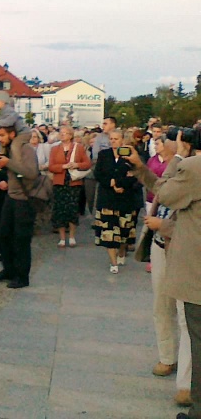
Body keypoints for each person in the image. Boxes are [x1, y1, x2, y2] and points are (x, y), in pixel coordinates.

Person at [126, 133, 201, 419]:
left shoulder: (190, 166)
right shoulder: (180, 167)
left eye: (167, 139)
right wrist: (144, 169)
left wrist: (179, 157)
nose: (160, 144)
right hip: (164, 247)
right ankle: (167, 358)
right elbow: (161, 190)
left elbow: (169, 196)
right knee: (162, 307)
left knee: (189, 321)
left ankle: (187, 388)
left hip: (186, 252)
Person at [0, 124, 40, 289]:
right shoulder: (8, 149)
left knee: (21, 238)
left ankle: (22, 276)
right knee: (3, 233)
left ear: (12, 134)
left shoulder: (26, 150)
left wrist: (8, 163)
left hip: (25, 199)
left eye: (2, 135)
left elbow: (32, 173)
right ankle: (9, 269)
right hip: (11, 197)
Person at [92, 129, 138, 274]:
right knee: (109, 231)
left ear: (122, 140)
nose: (113, 141)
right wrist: (110, 183)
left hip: (125, 199)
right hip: (107, 198)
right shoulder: (103, 155)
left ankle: (122, 252)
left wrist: (120, 184)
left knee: (124, 232)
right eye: (111, 139)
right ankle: (113, 263)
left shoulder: (130, 155)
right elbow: (98, 173)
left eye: (116, 139)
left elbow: (135, 175)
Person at [49, 125, 92, 248]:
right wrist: (62, 167)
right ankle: (62, 238)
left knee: (72, 209)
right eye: (60, 133)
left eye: (65, 133)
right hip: (59, 182)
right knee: (60, 209)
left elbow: (87, 164)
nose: (62, 135)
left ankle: (72, 236)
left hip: (73, 182)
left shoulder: (78, 148)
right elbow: (51, 166)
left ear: (70, 135)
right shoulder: (55, 149)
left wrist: (76, 164)